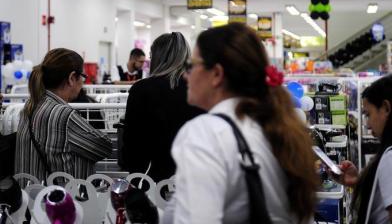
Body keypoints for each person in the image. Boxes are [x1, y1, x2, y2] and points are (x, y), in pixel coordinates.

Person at [163, 23, 319, 224]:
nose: (186, 75)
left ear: (216, 74)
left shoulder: (206, 133)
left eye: (192, 66)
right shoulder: (279, 126)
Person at [15, 48, 112, 181]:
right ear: (72, 78)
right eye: (83, 76)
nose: (83, 82)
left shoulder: (30, 106)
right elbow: (104, 147)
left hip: (31, 195)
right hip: (62, 198)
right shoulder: (64, 115)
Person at [122, 32, 204, 182]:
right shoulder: (201, 89)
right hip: (193, 174)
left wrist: (132, 171)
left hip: (151, 176)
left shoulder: (141, 89)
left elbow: (132, 139)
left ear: (158, 57)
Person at [332, 75, 392, 224]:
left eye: (368, 114)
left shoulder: (390, 157)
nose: (368, 125)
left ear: (386, 108)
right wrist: (358, 182)